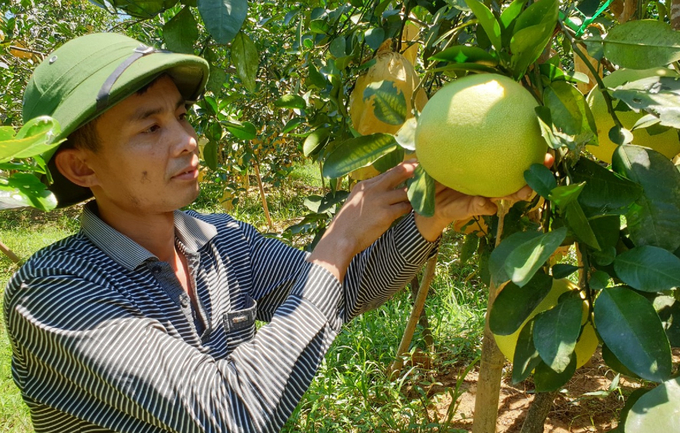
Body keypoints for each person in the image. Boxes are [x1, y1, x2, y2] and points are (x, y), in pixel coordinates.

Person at [4, 33, 534, 432]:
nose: (188, 141)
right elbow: (231, 413)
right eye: (150, 127)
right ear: (80, 168)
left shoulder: (221, 241)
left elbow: (337, 295)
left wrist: (431, 217)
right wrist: (337, 242)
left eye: (182, 117)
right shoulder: (54, 294)